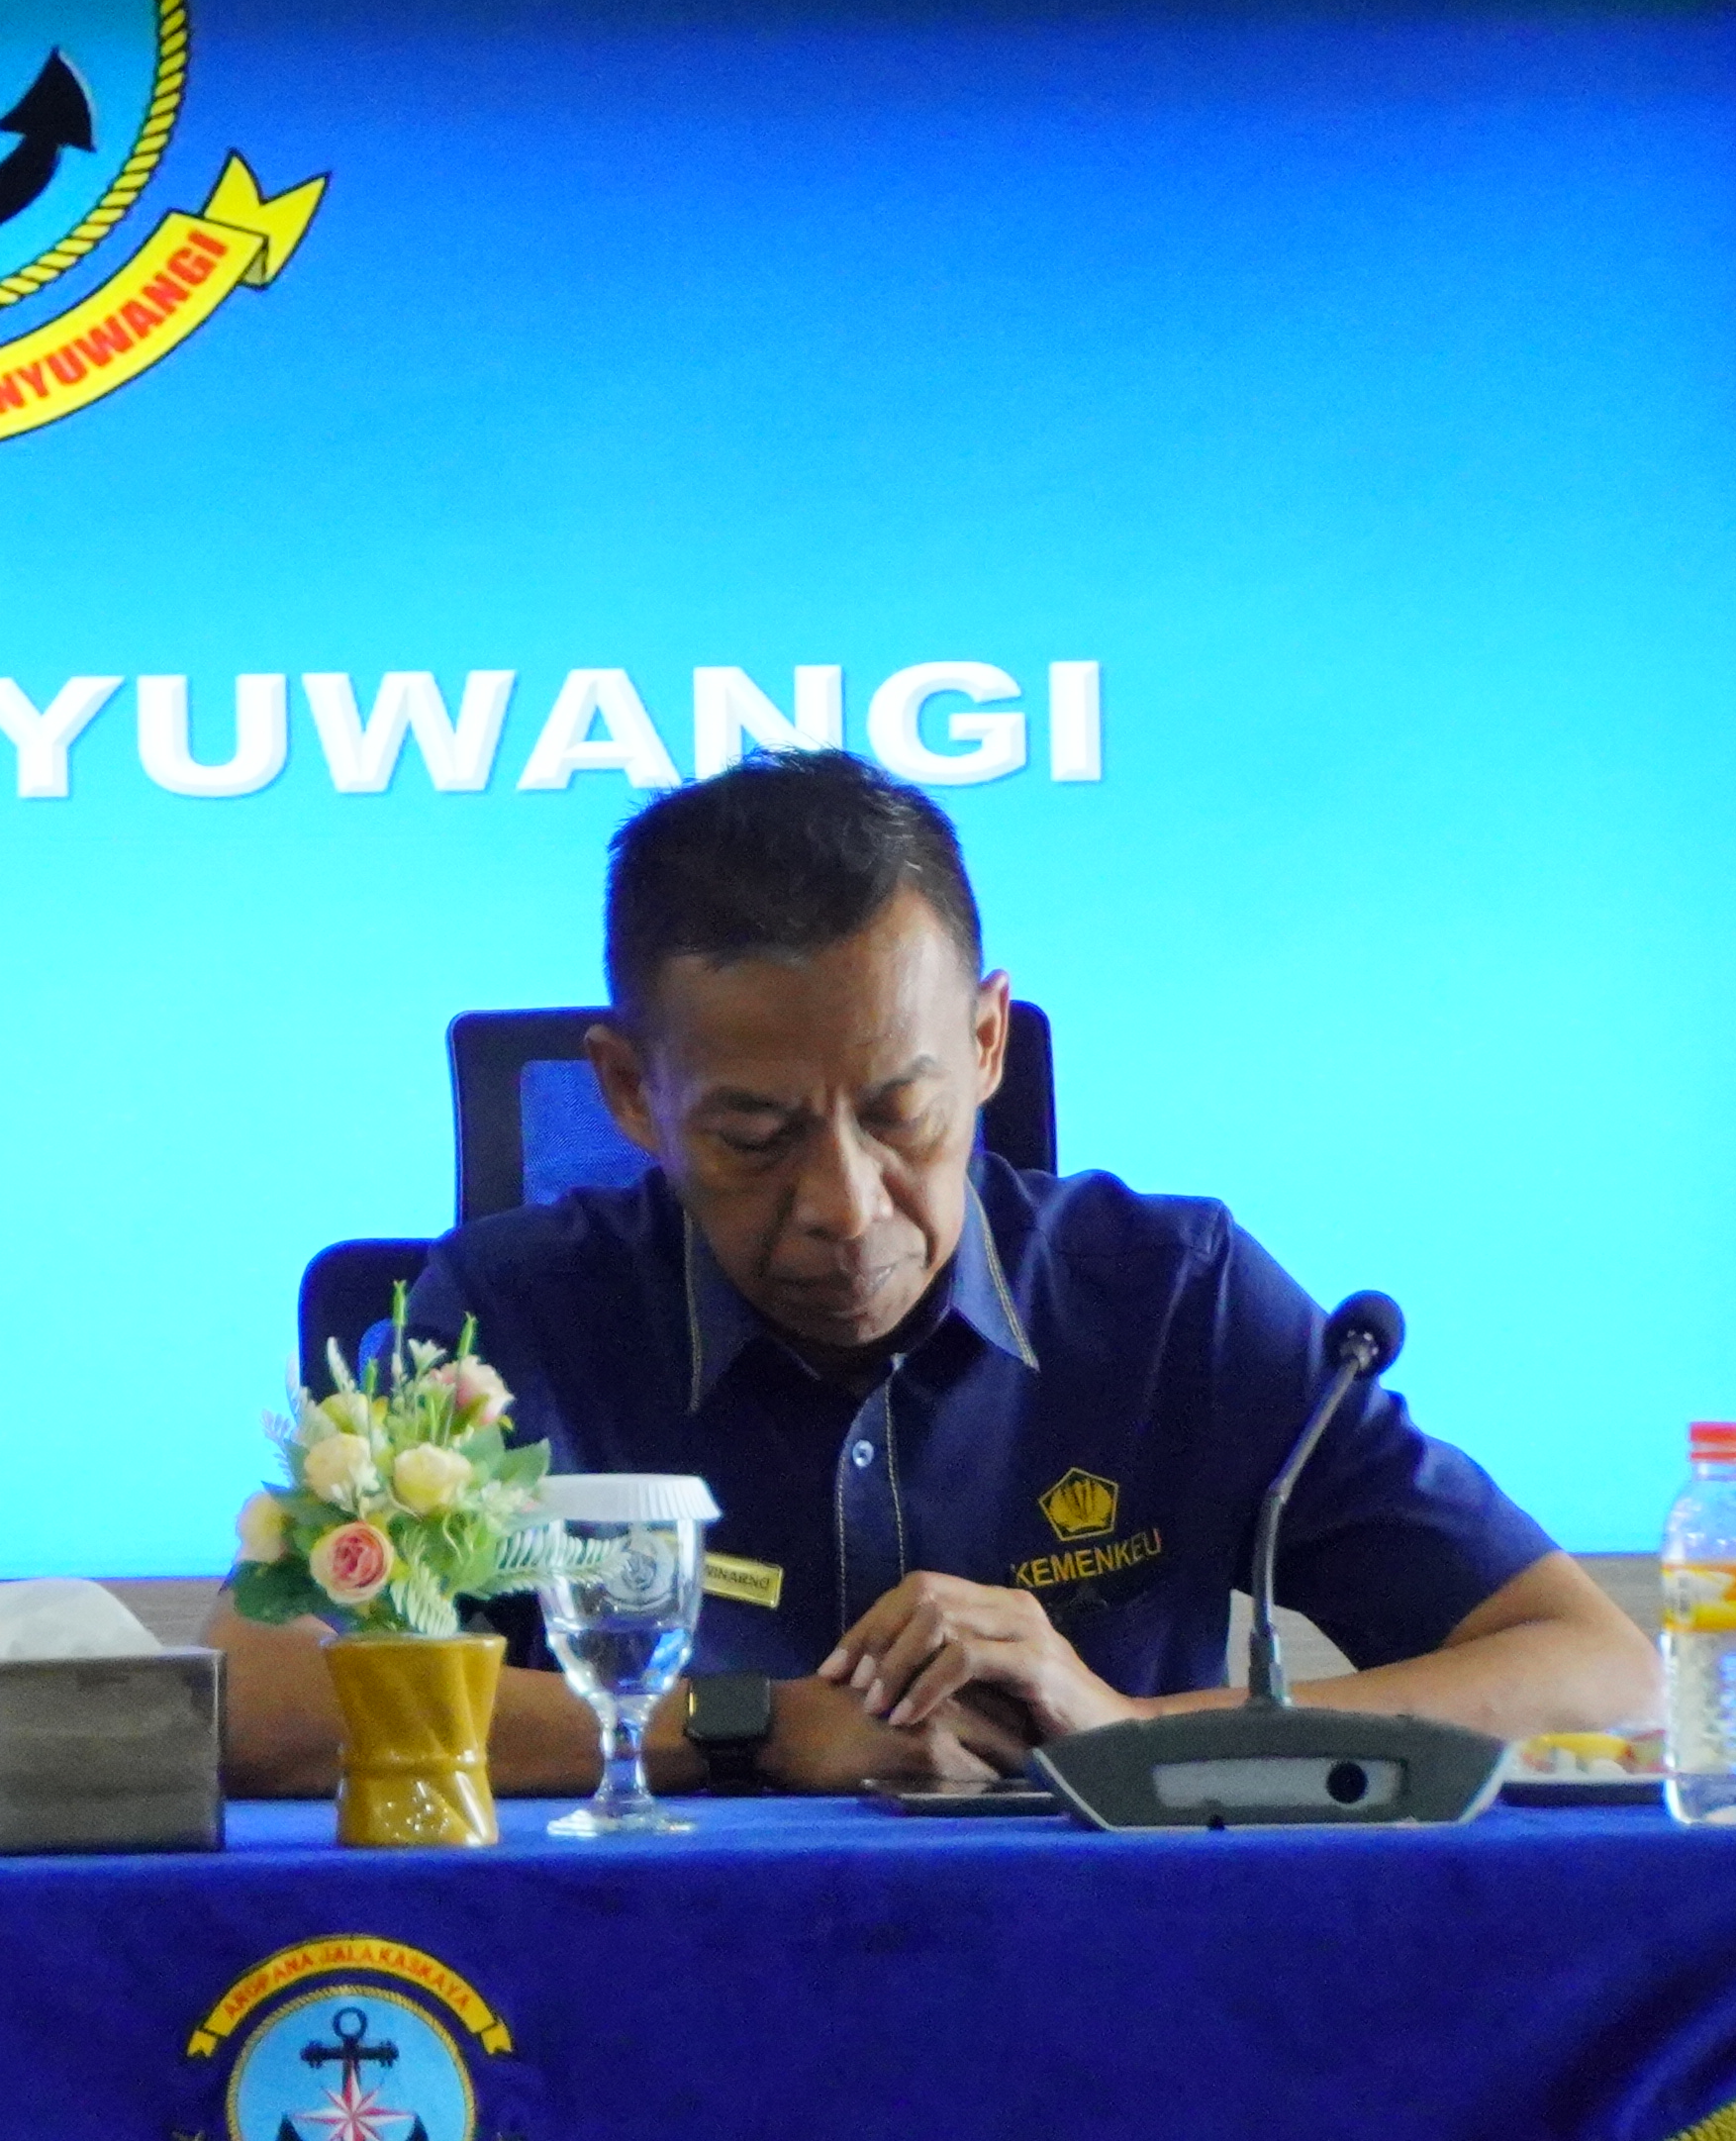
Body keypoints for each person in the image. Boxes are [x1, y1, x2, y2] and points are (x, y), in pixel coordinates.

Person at [211, 747, 1655, 1800]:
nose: (847, 1211)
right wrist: (754, 1727)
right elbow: (255, 1705)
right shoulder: (503, 1320)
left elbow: (1598, 1671)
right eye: (757, 1137)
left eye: (901, 1113)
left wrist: (1127, 1734)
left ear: (983, 1044)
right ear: (632, 1094)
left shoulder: (1172, 1294)